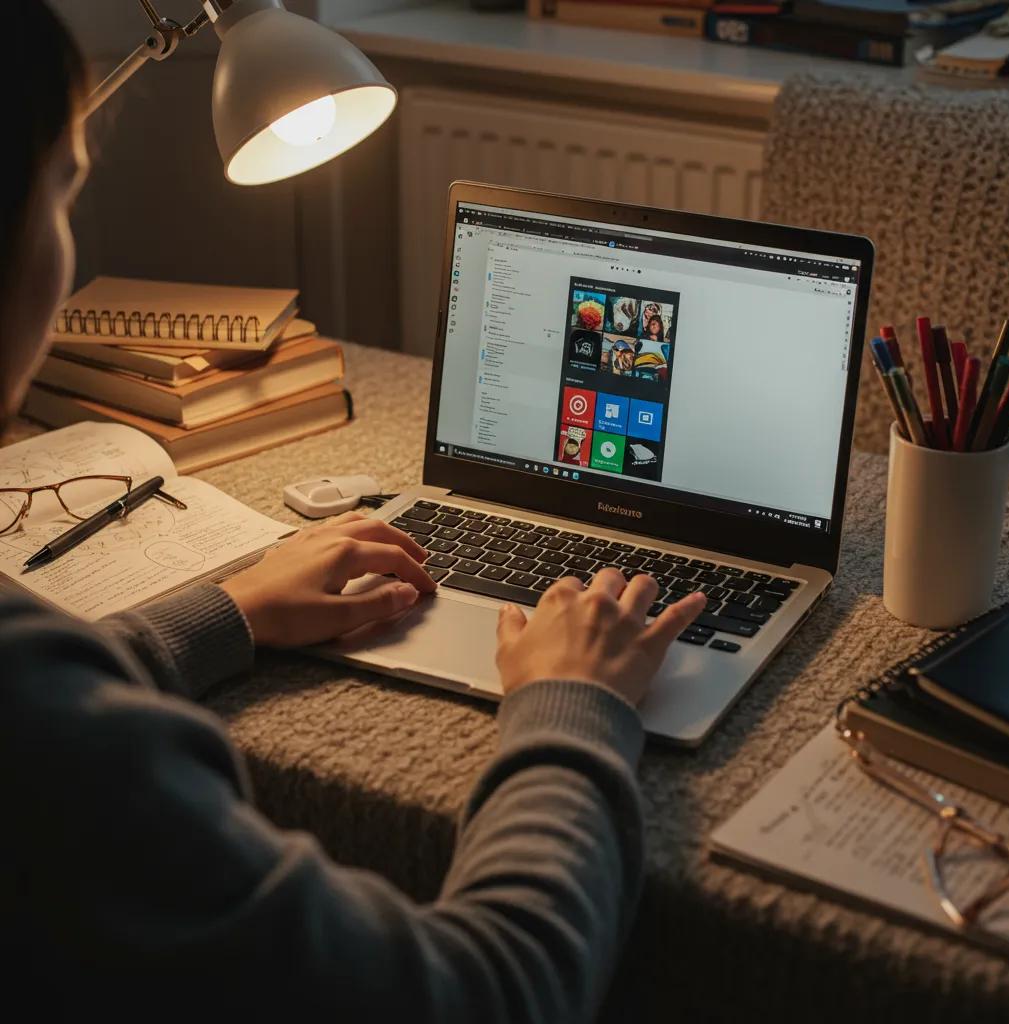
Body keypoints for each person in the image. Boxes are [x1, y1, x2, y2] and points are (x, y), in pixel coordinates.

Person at [0, 2, 706, 1016]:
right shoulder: (49, 736)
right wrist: (572, 705)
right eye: (64, 194)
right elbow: (492, 991)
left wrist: (226, 611)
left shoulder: (35, 693)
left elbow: (41, 696)